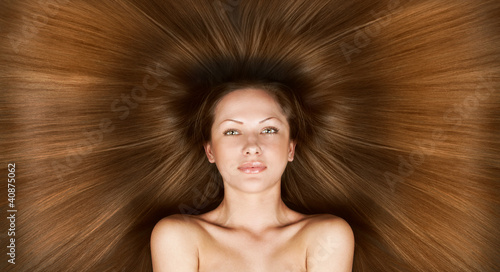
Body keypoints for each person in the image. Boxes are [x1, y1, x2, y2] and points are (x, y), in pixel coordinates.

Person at [151, 84, 354, 271]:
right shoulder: (177, 237)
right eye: (232, 131)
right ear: (210, 151)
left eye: (268, 130)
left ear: (290, 149)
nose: (252, 147)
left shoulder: (327, 236)